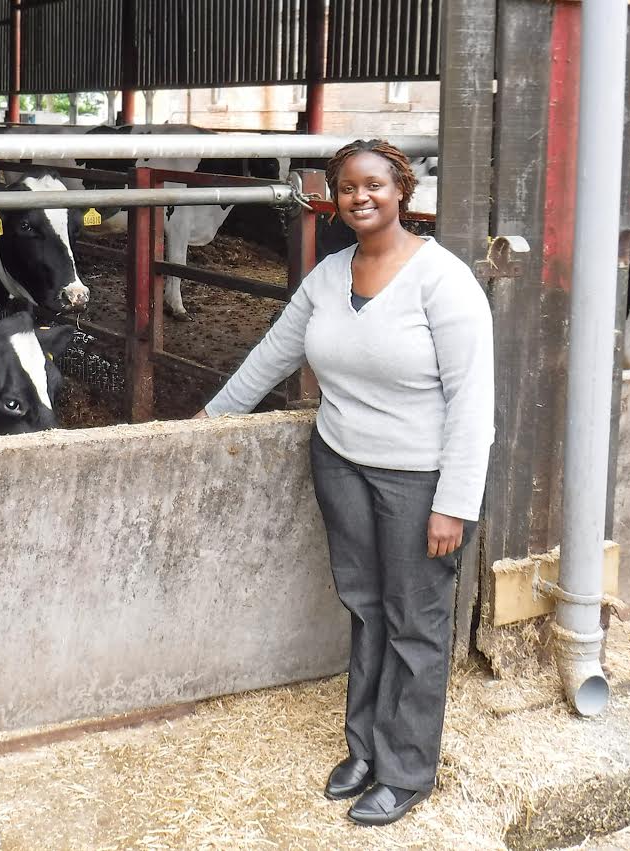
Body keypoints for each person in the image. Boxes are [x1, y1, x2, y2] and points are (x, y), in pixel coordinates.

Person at [195, 139, 494, 826]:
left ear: (401, 192)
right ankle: (362, 747)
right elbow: (274, 349)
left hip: (418, 476)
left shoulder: (441, 282)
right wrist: (213, 415)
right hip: (340, 459)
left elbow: (474, 402)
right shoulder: (329, 276)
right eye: (346, 187)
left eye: (374, 186)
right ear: (331, 197)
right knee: (364, 605)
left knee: (414, 621)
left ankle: (407, 769)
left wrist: (453, 502)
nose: (360, 197)